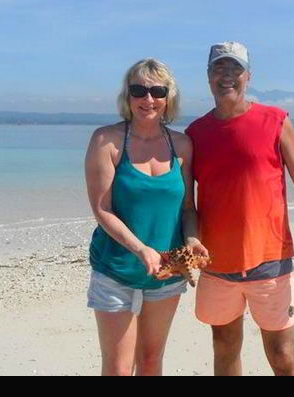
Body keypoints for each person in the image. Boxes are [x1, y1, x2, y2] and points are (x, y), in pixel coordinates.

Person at [186, 41, 294, 376]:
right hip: (216, 264)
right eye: (219, 68)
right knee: (224, 350)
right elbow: (187, 205)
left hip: (271, 261)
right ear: (208, 76)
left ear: (248, 76)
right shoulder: (195, 134)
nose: (227, 76)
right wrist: (187, 244)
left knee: (282, 356)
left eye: (235, 68)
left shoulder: (276, 121)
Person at [84, 58, 208, 376]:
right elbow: (102, 209)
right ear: (128, 96)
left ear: (169, 98)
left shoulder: (182, 145)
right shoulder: (106, 141)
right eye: (139, 90)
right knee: (118, 368)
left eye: (157, 91)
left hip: (166, 272)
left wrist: (193, 240)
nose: (148, 99)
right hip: (116, 270)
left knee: (152, 361)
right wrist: (141, 249)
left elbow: (187, 209)